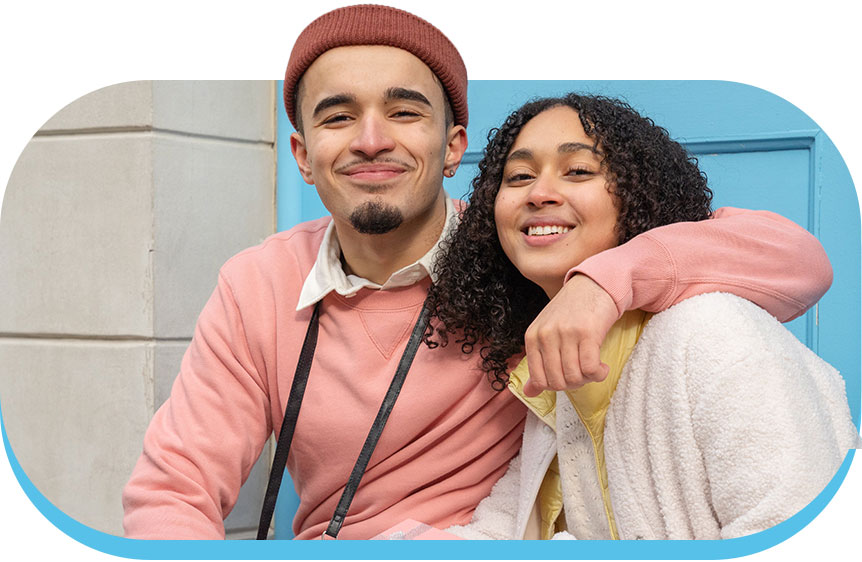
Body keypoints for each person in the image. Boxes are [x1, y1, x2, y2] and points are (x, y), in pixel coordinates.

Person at [122, 5, 834, 540]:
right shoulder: (258, 284)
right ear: (303, 155)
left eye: (404, 112)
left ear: (453, 143)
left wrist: (603, 282)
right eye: (339, 118)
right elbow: (172, 492)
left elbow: (796, 259)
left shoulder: (521, 248)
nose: (373, 140)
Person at [426, 93, 858, 540]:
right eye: (519, 176)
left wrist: (601, 281)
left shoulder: (710, 335)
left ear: (638, 193)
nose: (539, 193)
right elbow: (500, 532)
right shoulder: (554, 374)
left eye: (578, 171)